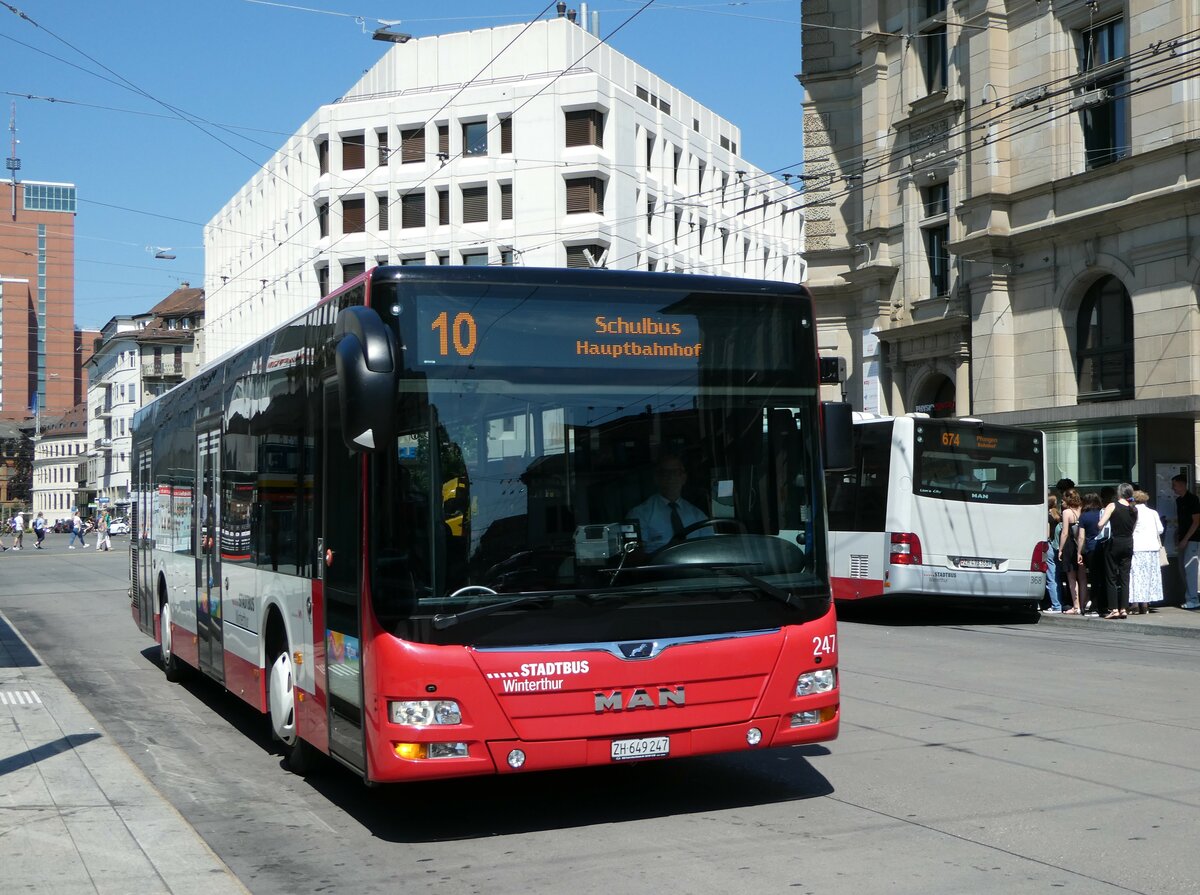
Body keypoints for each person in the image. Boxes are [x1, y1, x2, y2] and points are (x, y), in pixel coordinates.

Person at [626, 454, 710, 553]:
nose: (671, 477)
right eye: (665, 473)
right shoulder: (639, 515)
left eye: (676, 472)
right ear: (656, 478)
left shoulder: (698, 516)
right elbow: (635, 556)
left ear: (684, 478)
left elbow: (710, 550)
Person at [1097, 483, 1138, 619]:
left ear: (1119, 493)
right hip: (1128, 543)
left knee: (1111, 577)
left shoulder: (1112, 505)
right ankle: (1124, 609)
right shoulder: (1134, 509)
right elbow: (1132, 528)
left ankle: (1114, 608)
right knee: (1125, 577)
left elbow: (1100, 524)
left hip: (1114, 543)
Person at [1129, 490, 1164, 615]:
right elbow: (1160, 529)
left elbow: (1130, 529)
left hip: (1137, 547)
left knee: (1136, 576)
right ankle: (1145, 604)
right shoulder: (1153, 512)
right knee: (1148, 576)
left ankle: (1135, 604)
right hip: (1152, 547)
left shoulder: (1133, 511)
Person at [1171, 474, 1200, 610]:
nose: (1173, 488)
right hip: (1183, 538)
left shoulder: (1193, 500)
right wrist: (1179, 535)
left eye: (1175, 485)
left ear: (1182, 485)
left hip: (1192, 539)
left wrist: (1186, 539)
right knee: (1183, 569)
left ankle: (1193, 599)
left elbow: (1196, 521)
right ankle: (1191, 597)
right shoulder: (1179, 501)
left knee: (1190, 569)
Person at [1057, 489, 1086, 614]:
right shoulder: (1082, 510)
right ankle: (1084, 605)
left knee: (1071, 577)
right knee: (1083, 577)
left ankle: (1076, 606)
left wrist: (1060, 549)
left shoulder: (1067, 512)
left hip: (1069, 545)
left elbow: (1064, 532)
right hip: (1081, 544)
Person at [1079, 492, 1106, 617]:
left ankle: (1094, 607)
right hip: (1105, 548)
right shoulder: (1103, 513)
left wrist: (1079, 552)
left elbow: (1081, 537)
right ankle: (1104, 605)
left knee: (1094, 578)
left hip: (1091, 549)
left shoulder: (1084, 516)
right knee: (1105, 577)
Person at [1044, 494, 1063, 612]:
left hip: (1049, 547)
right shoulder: (1058, 515)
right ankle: (1060, 602)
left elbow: (1046, 534)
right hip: (1058, 547)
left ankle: (1056, 605)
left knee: (1051, 576)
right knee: (1057, 576)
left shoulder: (1047, 516)